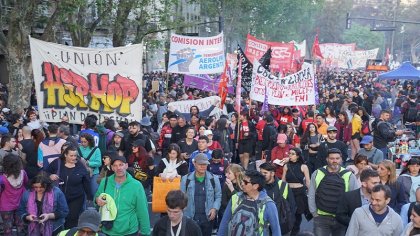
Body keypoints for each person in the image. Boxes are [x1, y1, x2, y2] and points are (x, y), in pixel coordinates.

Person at [95, 154, 151, 236]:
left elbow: (142, 210)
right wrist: (97, 200)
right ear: (112, 168)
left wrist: (145, 233)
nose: (119, 168)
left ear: (126, 166)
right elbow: (96, 199)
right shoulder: (105, 182)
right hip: (107, 230)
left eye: (121, 165)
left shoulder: (136, 185)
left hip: (129, 232)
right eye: (115, 165)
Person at [308, 148, 358, 236]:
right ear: (327, 159)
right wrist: (314, 213)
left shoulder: (349, 176)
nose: (334, 161)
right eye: (332, 158)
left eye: (337, 158)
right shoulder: (317, 173)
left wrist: (349, 217)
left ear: (341, 159)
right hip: (321, 217)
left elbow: (354, 198)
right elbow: (311, 194)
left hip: (341, 218)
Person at [217, 170, 281, 236]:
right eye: (242, 181)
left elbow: (276, 230)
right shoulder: (235, 198)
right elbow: (224, 222)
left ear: (255, 186)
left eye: (245, 182)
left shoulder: (268, 204)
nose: (242, 183)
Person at [47, 145, 92, 229]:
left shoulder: (80, 165)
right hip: (59, 197)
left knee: (72, 219)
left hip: (76, 197)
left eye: (75, 155)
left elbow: (86, 181)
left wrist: (90, 196)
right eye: (71, 155)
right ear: (65, 155)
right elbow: (45, 173)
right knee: (58, 218)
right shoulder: (57, 162)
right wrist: (50, 175)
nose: (74, 158)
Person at [180, 153, 222, 236]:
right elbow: (181, 197)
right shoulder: (185, 179)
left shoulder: (214, 179)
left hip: (207, 218)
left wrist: (214, 208)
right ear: (194, 163)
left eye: (205, 164)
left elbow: (218, 196)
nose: (203, 166)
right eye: (200, 164)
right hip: (190, 218)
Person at [260, 162, 296, 235]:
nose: (262, 175)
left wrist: (289, 224)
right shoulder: (259, 187)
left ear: (272, 174)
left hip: (282, 228)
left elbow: (292, 206)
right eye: (261, 173)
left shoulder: (283, 186)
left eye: (265, 173)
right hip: (264, 228)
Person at [282, 147, 311, 235]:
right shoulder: (286, 166)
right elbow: (283, 180)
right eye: (289, 153)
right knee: (288, 212)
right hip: (289, 191)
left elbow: (308, 181)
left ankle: (295, 231)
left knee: (298, 213)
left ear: (298, 156)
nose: (290, 155)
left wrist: (310, 193)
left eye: (293, 154)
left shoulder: (304, 166)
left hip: (299, 192)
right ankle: (289, 229)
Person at [0, 154, 28, 236]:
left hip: (5, 206)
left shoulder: (2, 179)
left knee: (7, 229)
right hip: (21, 204)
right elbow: (26, 183)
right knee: (21, 226)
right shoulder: (23, 173)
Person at [78, 133, 102, 197]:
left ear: (89, 141)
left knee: (94, 191)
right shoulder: (79, 149)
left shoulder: (96, 149)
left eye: (85, 142)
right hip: (82, 173)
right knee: (82, 193)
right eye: (81, 142)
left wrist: (89, 163)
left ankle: (96, 205)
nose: (83, 144)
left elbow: (99, 163)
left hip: (94, 173)